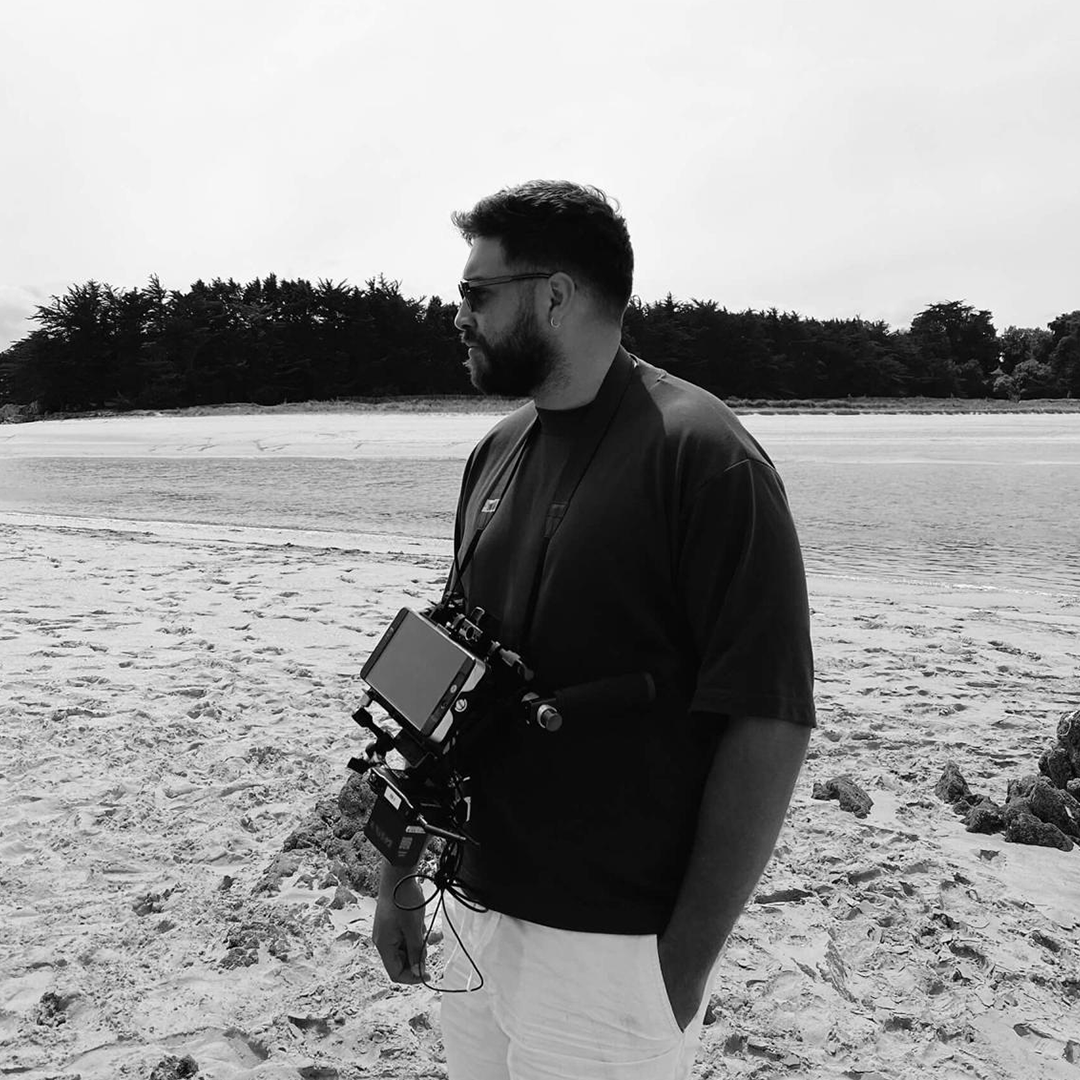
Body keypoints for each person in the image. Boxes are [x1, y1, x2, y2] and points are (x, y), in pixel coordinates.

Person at [372, 180, 815, 1080]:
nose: (457, 315)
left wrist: (680, 966)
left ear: (555, 295)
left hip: (614, 947)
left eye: (475, 293)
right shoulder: (496, 452)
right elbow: (444, 680)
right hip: (475, 910)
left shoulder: (705, 456)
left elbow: (770, 717)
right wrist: (398, 875)